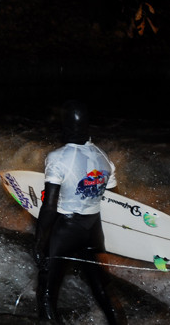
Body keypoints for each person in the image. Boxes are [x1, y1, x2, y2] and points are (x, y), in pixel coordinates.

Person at [34, 101, 120, 324]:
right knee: (102, 289)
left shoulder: (57, 157)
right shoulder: (103, 157)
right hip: (93, 229)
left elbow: (50, 204)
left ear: (66, 127)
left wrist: (40, 242)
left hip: (66, 230)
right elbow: (114, 199)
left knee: (47, 289)